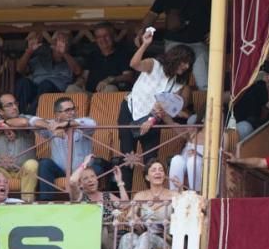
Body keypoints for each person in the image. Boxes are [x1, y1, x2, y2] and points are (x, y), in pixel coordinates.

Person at [117, 30, 195, 187]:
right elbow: (134, 64)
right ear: (176, 57)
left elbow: (161, 108)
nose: (186, 66)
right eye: (184, 61)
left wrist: (151, 122)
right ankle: (123, 202)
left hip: (152, 119)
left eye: (189, 64)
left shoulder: (177, 84)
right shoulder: (154, 64)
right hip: (130, 110)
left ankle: (152, 200)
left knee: (151, 160)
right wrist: (145, 44)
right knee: (128, 158)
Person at [138, 0, 212, 90]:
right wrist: (141, 31)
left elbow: (223, 11)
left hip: (198, 42)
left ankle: (206, 109)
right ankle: (172, 108)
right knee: (172, 82)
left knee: (205, 82)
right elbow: (152, 14)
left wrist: (215, 32)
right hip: (174, 42)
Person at [109, 160, 175, 249]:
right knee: (127, 237)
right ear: (147, 177)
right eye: (153, 170)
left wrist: (181, 189)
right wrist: (135, 219)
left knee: (146, 237)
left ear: (165, 175)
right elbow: (130, 215)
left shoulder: (173, 195)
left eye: (160, 170)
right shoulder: (140, 195)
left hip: (164, 239)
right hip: (143, 234)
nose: (158, 172)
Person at [0, 93, 39, 203]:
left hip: (23, 171)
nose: (14, 107)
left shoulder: (24, 117)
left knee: (32, 164)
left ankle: (27, 204)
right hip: (3, 171)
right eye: (9, 105)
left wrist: (4, 124)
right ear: (0, 111)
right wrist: (1, 126)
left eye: (15, 103)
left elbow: (24, 122)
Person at [33, 97, 100, 201]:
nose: (72, 112)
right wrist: (51, 126)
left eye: (73, 109)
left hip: (82, 170)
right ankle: (46, 202)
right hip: (60, 170)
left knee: (98, 168)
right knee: (45, 164)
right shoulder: (53, 125)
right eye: (67, 110)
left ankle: (86, 201)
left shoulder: (81, 125)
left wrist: (67, 124)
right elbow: (32, 121)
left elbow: (92, 123)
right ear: (57, 114)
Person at [15, 31, 83, 114]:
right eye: (57, 41)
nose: (59, 44)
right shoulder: (40, 58)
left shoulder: (72, 60)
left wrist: (64, 53)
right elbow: (19, 69)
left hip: (55, 92)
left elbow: (77, 71)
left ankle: (30, 115)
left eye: (64, 41)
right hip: (35, 88)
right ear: (52, 43)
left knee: (46, 84)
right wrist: (29, 52)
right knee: (23, 82)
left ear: (68, 45)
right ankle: (18, 115)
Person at [78, 23, 136, 94]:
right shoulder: (92, 55)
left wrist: (111, 79)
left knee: (110, 88)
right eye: (99, 37)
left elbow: (129, 76)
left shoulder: (122, 54)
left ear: (113, 36)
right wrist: (80, 81)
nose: (103, 39)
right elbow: (84, 76)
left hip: (110, 93)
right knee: (72, 88)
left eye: (106, 36)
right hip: (90, 94)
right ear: (95, 39)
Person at [231, 70, 269, 140]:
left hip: (249, 127)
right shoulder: (234, 77)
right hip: (229, 123)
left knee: (246, 128)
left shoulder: (262, 83)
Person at [169, 128, 204, 192]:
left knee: (193, 161)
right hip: (185, 162)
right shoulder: (193, 131)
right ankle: (175, 193)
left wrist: (199, 154)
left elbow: (221, 157)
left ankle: (195, 194)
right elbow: (173, 124)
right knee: (176, 159)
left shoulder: (221, 134)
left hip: (202, 164)